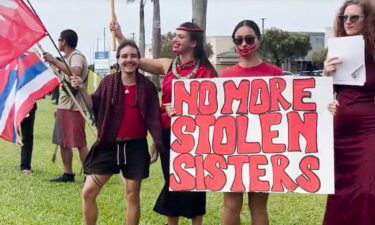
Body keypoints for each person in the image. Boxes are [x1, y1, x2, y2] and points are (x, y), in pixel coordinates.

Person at [111, 21, 217, 225]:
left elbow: (213, 108)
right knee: (172, 182)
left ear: (194, 43)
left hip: (196, 137)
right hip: (168, 134)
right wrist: (120, 36)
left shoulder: (206, 72)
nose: (175, 39)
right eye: (175, 35)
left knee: (196, 184)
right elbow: (136, 60)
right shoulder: (168, 65)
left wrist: (187, 111)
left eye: (181, 37)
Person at [71, 40, 163, 225]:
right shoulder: (108, 82)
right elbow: (93, 106)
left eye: (133, 56)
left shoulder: (147, 87)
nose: (129, 60)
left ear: (139, 59)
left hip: (135, 148)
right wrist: (81, 87)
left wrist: (156, 142)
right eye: (124, 56)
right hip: (109, 145)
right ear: (118, 60)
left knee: (132, 195)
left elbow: (154, 118)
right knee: (88, 192)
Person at [220, 20, 283, 225]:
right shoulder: (225, 76)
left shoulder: (275, 74)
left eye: (249, 39)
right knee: (230, 206)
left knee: (258, 207)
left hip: (263, 149)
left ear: (259, 40)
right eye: (239, 40)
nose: (244, 44)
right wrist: (182, 111)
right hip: (232, 149)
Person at [323, 0, 375, 224]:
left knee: (368, 187)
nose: (348, 22)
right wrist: (326, 74)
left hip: (369, 128)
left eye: (354, 17)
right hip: (341, 130)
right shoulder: (338, 49)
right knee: (340, 189)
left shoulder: (373, 50)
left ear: (368, 20)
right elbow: (328, 93)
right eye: (344, 18)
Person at [43, 29, 89, 182]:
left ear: (63, 41)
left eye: (59, 40)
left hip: (75, 107)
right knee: (63, 141)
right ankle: (67, 173)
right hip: (65, 106)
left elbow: (74, 72)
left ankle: (90, 174)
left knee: (79, 142)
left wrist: (55, 61)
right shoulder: (67, 58)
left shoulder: (76, 57)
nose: (58, 43)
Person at [19, 103, 37, 175]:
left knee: (27, 136)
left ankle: (25, 166)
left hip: (27, 105)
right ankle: (25, 166)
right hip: (8, 103)